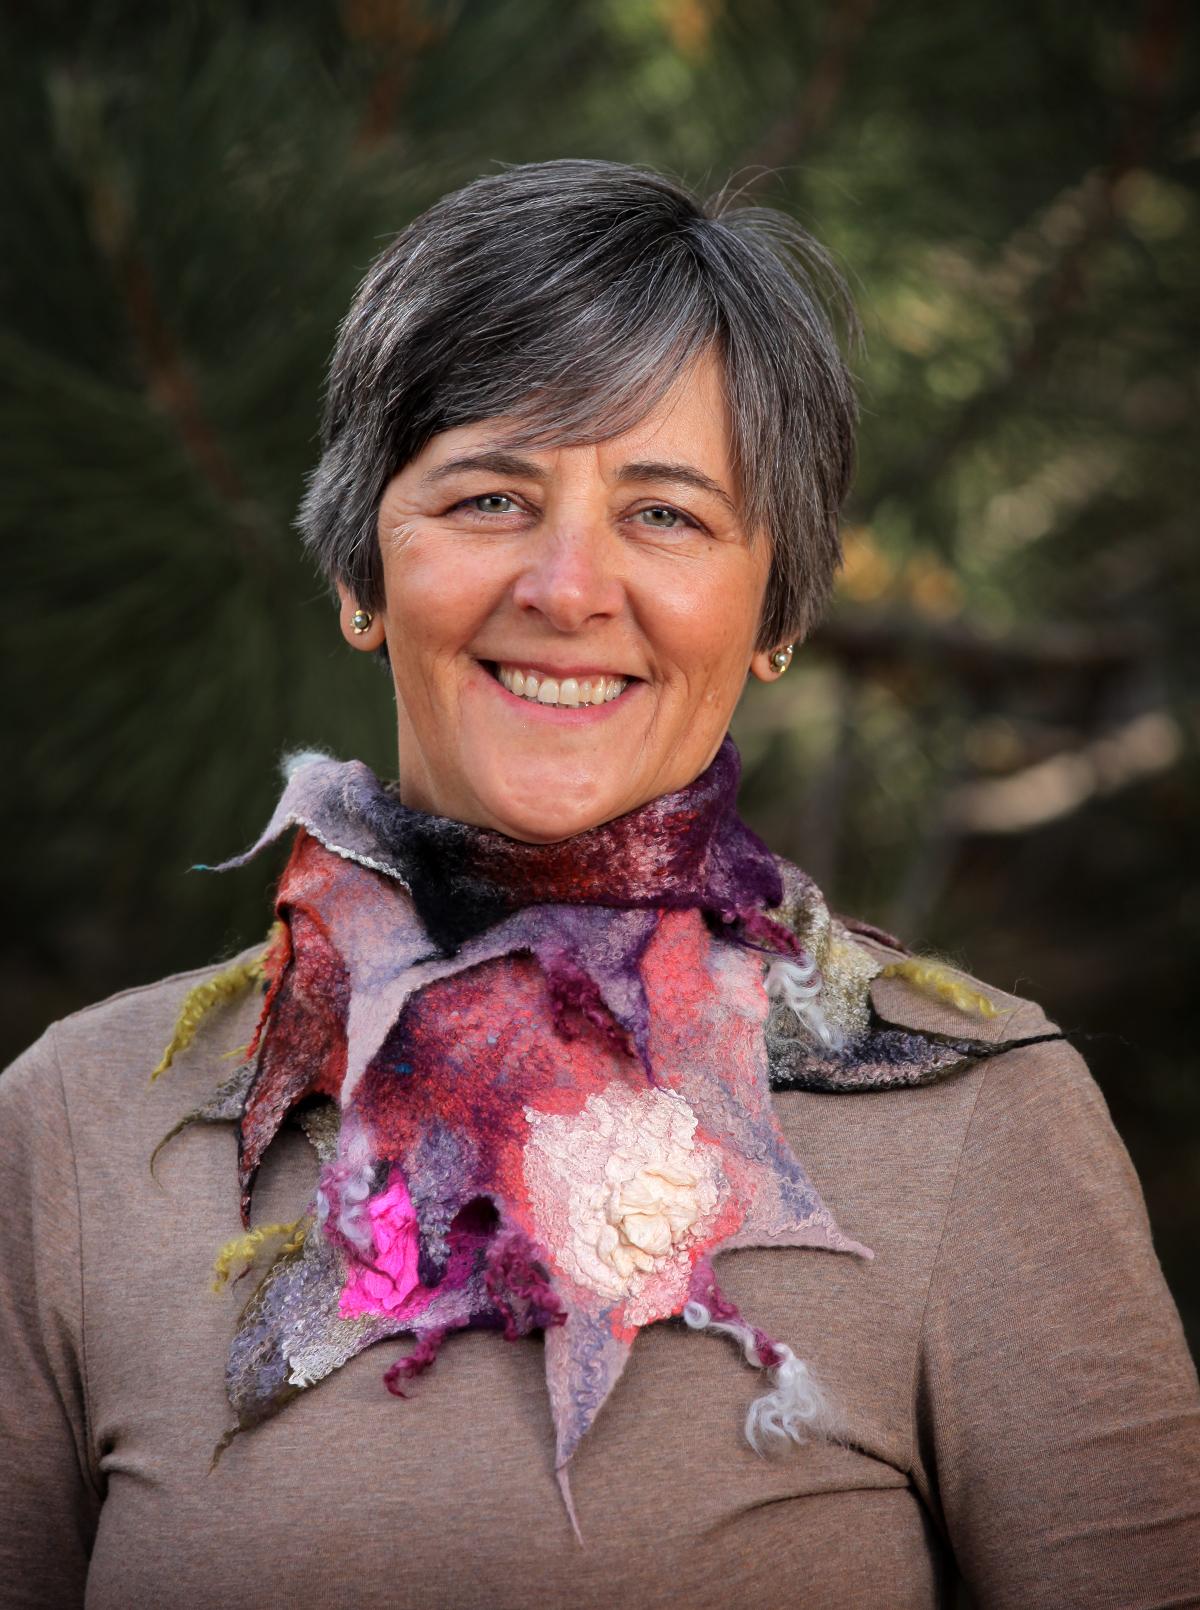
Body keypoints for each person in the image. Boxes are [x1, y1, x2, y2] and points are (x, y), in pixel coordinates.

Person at [2, 159, 1197, 1610]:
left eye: (667, 515)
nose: (567, 587)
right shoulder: (76, 1128)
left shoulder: (981, 1122)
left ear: (777, 607)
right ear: (362, 573)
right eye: (490, 497)